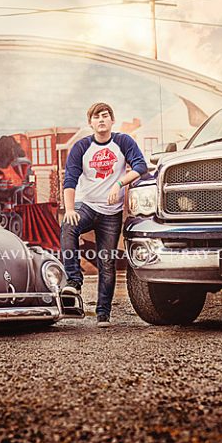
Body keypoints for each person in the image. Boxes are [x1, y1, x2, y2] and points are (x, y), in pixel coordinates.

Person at [60, 102, 148, 327]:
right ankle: (73, 280)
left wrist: (119, 183)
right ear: (90, 123)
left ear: (112, 121)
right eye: (96, 116)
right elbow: (69, 179)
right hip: (87, 206)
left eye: (105, 116)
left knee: (106, 263)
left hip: (111, 213)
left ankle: (103, 314)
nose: (101, 119)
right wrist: (70, 209)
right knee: (69, 227)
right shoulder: (81, 147)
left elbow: (140, 166)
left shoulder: (123, 142)